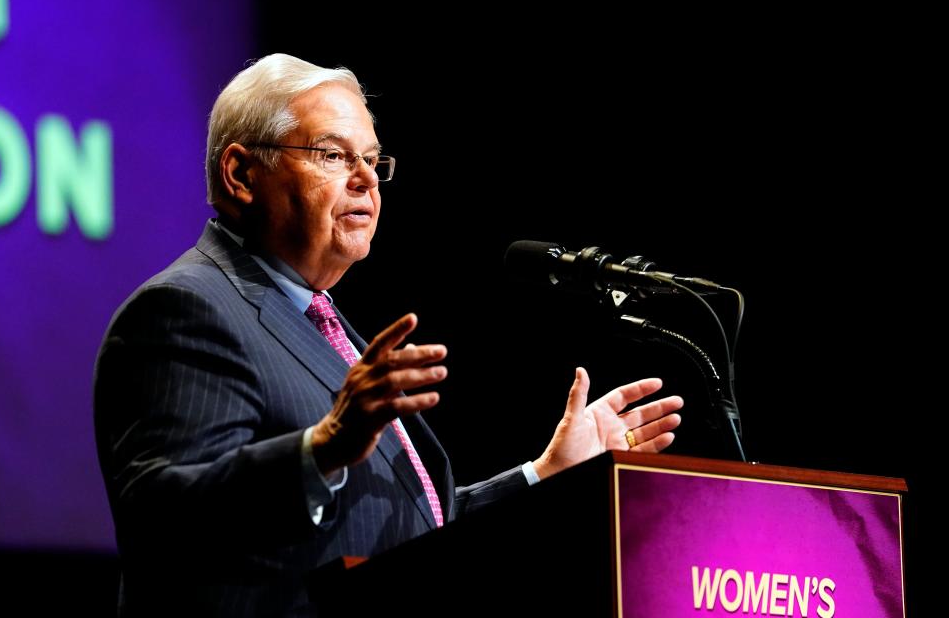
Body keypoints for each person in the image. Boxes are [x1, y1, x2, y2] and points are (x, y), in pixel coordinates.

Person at [93, 53, 683, 617]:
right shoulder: (186, 310)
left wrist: (546, 474)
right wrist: (321, 448)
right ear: (243, 173)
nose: (365, 181)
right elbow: (162, 519)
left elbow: (417, 533)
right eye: (332, 155)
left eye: (373, 161)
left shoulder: (317, 317)